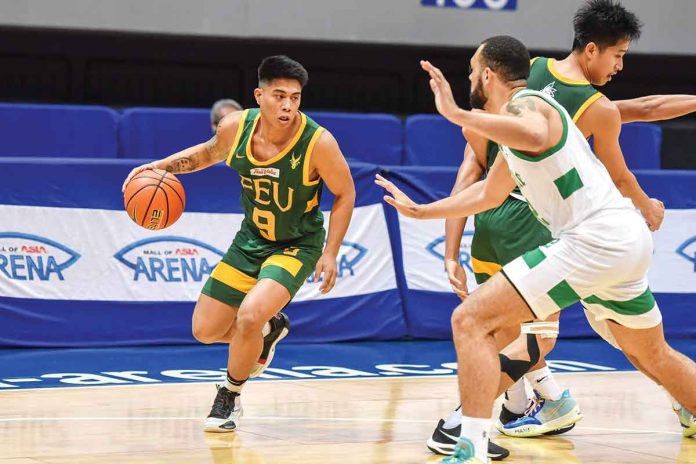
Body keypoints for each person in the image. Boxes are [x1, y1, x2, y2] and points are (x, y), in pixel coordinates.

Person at [377, 35, 696, 464]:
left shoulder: (527, 106)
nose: (470, 78)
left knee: (469, 320)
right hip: (623, 240)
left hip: (594, 240)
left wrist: (455, 113)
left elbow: (535, 128)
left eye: (472, 71)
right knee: (652, 354)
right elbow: (488, 194)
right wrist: (422, 212)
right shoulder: (517, 132)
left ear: (487, 75)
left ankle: (467, 448)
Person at [122, 55, 356, 432]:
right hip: (252, 240)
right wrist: (159, 167)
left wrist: (330, 252)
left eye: (295, 98)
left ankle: (229, 396)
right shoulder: (236, 128)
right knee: (205, 330)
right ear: (259, 95)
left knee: (249, 315)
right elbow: (204, 155)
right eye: (279, 96)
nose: (288, 106)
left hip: (297, 244)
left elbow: (345, 194)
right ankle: (268, 332)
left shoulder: (318, 142)